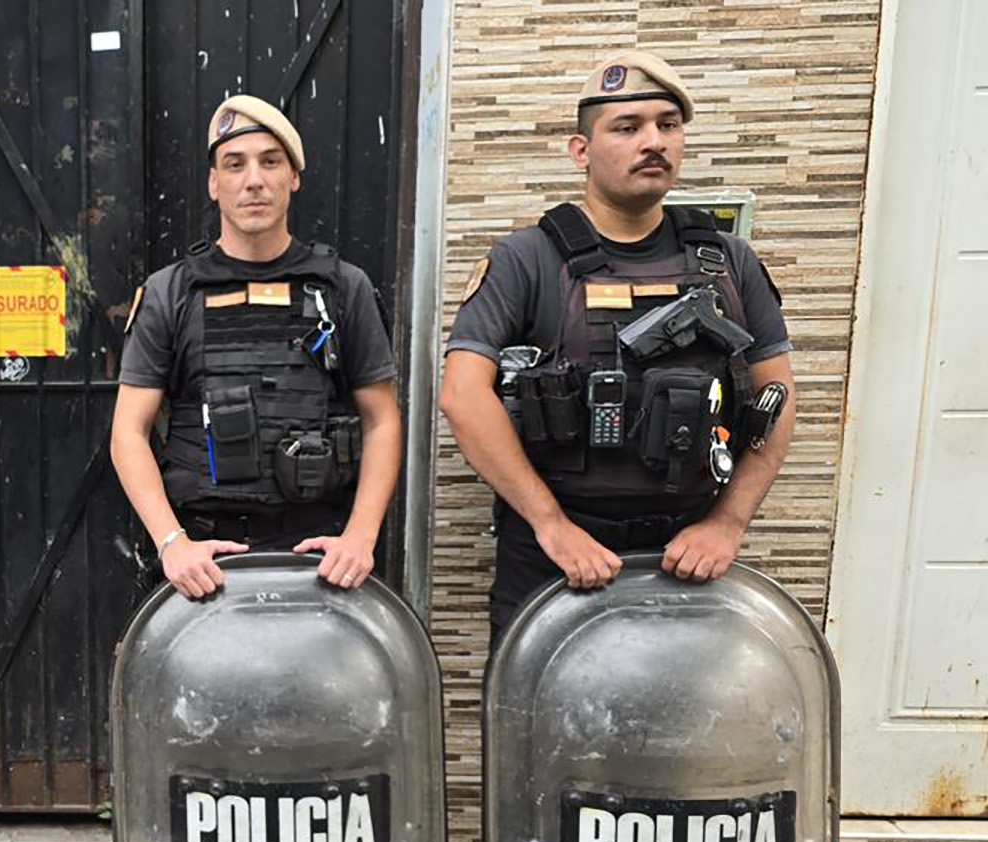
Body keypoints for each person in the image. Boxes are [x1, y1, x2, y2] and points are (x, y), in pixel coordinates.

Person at [437, 51, 796, 647]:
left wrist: (726, 525)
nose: (652, 141)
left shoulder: (728, 262)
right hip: (556, 556)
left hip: (685, 554)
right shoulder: (527, 259)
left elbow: (775, 400)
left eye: (667, 125)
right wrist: (551, 527)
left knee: (673, 729)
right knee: (533, 733)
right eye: (628, 127)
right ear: (581, 150)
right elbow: (462, 395)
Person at [112, 94, 403, 599]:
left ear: (294, 177)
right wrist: (171, 543)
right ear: (213, 183)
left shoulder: (343, 288)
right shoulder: (171, 292)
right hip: (202, 560)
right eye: (235, 164)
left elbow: (382, 420)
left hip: (317, 558)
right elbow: (128, 432)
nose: (254, 180)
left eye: (271, 161)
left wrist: (360, 536)